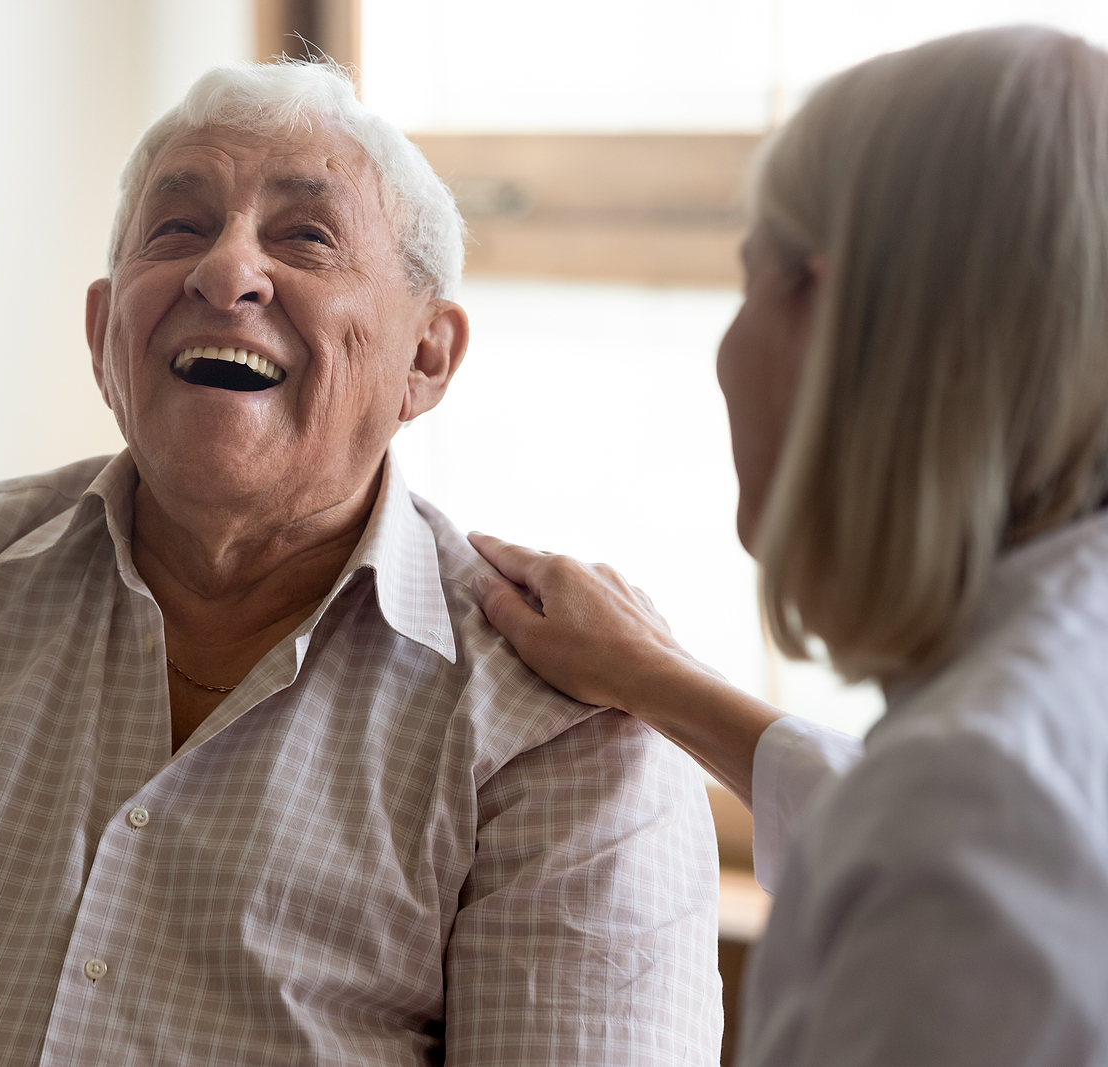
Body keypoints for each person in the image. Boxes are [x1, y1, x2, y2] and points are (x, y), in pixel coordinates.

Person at [0, 62, 721, 1066]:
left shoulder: (560, 724)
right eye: (178, 228)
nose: (226, 269)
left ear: (426, 354)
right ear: (105, 333)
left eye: (305, 238)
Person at [472, 25, 1108, 1067]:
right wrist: (655, 678)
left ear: (831, 310)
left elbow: (937, 824)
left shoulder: (971, 815)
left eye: (747, 277)